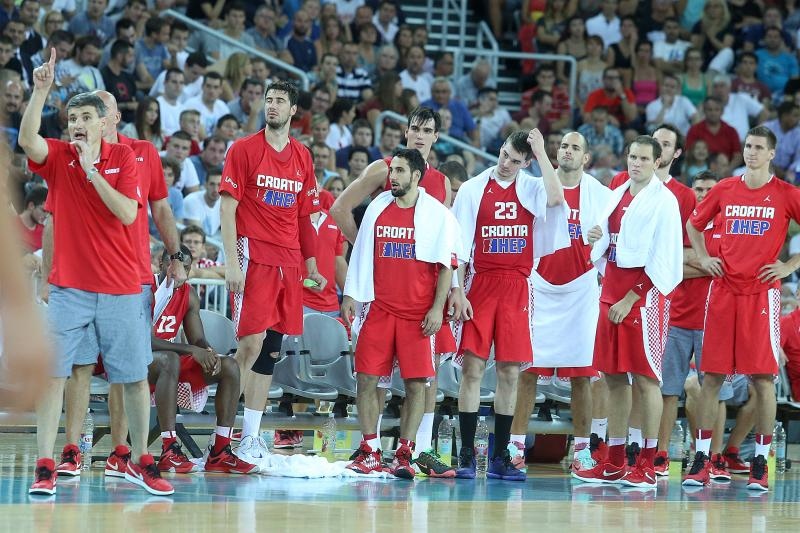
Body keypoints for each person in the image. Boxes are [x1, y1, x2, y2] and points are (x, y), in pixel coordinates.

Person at [20, 53, 173, 496]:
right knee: (53, 374)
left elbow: (128, 213)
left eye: (87, 116)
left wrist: (92, 172)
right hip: (70, 290)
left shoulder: (126, 158)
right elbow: (29, 140)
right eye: (72, 118)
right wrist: (41, 91)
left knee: (132, 377)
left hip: (123, 289)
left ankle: (141, 460)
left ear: (105, 122)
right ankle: (46, 464)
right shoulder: (60, 157)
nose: (78, 124)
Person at [53, 89, 185, 485]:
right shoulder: (70, 155)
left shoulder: (141, 152)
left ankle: (121, 452)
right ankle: (72, 449)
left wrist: (176, 254)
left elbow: (160, 206)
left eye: (99, 112)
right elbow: (53, 215)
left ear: (109, 118)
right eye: (81, 115)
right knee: (78, 364)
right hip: (81, 278)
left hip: (131, 277)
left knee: (125, 370)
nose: (86, 121)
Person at [331, 106, 457, 476]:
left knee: (424, 379)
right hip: (382, 298)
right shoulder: (380, 173)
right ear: (406, 131)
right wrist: (366, 255)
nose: (419, 134)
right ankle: (371, 448)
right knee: (374, 377)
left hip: (422, 300)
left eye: (427, 129)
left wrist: (449, 297)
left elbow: (445, 250)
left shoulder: (440, 186)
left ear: (436, 136)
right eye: (414, 128)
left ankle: (418, 449)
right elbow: (340, 209)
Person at [684, 125, 800, 491]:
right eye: (748, 146)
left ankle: (760, 463)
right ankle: (702, 458)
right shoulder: (724, 188)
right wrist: (703, 258)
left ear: (771, 154)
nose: (751, 152)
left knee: (762, 379)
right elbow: (694, 223)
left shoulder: (784, 194)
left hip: (760, 295)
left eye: (758, 148)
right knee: (711, 378)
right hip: (722, 293)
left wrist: (789, 265)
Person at [451, 129, 567, 481]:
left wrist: (543, 153)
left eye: (515, 160)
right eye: (503, 155)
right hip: (481, 282)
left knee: (510, 372)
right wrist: (459, 291)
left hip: (517, 285)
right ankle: (467, 453)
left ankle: (501, 455)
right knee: (472, 369)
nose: (505, 164)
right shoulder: (473, 188)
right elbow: (458, 246)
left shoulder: (532, 185)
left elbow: (557, 197)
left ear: (526, 162)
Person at [220, 80, 325, 464]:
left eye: (280, 101)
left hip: (289, 261)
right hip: (253, 252)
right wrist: (232, 260)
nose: (273, 106)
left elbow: (304, 216)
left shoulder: (303, 156)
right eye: (269, 100)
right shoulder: (244, 149)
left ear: (294, 109)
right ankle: (223, 435)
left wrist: (311, 262)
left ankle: (249, 438)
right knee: (249, 343)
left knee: (270, 350)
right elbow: (228, 209)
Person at [573, 135, 682, 489]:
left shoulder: (664, 201)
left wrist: (632, 297)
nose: (635, 163)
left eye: (643, 158)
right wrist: (597, 237)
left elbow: (666, 260)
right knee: (613, 378)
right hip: (611, 292)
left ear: (656, 162)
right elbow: (611, 242)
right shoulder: (617, 192)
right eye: (631, 157)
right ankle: (615, 461)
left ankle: (647, 464)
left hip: (644, 299)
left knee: (647, 380)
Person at [508, 131, 611, 473]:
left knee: (584, 375)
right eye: (564, 145)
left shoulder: (600, 194)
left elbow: (607, 242)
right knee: (527, 371)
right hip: (539, 284)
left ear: (586, 158)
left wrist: (596, 245)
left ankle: (583, 451)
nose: (567, 150)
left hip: (581, 289)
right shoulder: (536, 186)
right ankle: (515, 446)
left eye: (575, 147)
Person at [149, 246, 258, 474]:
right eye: (176, 266)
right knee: (170, 359)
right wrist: (190, 349)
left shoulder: (188, 294)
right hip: (143, 360)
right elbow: (142, 340)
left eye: (187, 268)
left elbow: (197, 338)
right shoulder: (146, 289)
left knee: (228, 365)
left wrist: (207, 351)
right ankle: (169, 448)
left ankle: (220, 450)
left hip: (172, 361)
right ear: (162, 264)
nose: (181, 273)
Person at [183, 170, 221, 237]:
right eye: (212, 184)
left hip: (211, 240)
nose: (215, 189)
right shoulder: (192, 201)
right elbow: (198, 235)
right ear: (205, 185)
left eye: (219, 185)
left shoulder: (224, 201)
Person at [16, 185, 47, 253]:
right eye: (43, 211)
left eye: (48, 213)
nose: (45, 216)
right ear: (31, 206)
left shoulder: (44, 234)